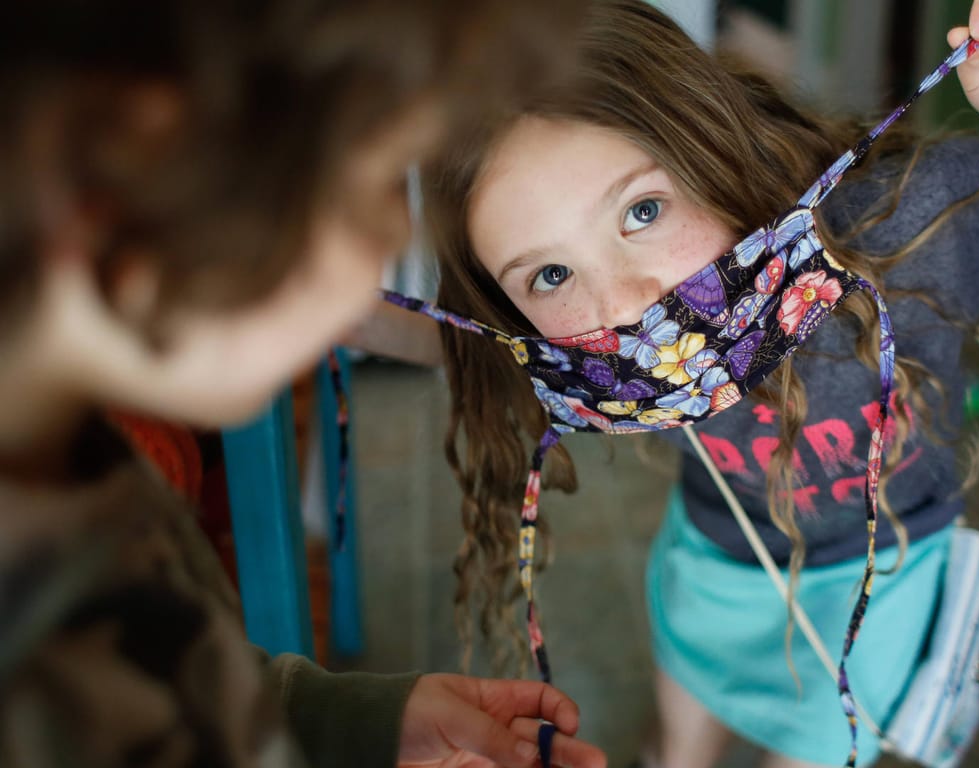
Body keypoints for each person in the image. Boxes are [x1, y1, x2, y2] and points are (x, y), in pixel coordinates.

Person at [391, 0, 979, 766]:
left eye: (642, 211)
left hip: (883, 581)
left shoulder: (904, 223)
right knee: (677, 746)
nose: (629, 309)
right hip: (714, 563)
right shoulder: (579, 347)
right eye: (553, 274)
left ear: (712, 144)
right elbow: (470, 353)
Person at [0, 1, 607, 767]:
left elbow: (199, 686)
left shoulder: (77, 461)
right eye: (381, 184)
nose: (394, 242)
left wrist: (357, 723)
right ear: (141, 167)